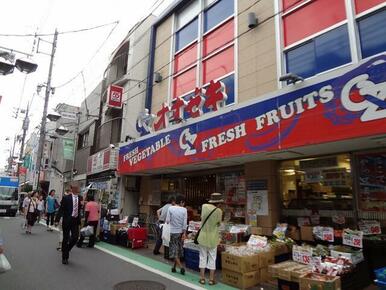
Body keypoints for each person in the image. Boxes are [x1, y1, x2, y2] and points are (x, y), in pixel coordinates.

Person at [197, 193, 223, 286]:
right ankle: (211, 279)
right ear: (219, 202)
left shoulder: (204, 206)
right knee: (212, 258)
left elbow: (202, 218)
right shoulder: (219, 211)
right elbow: (218, 223)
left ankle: (202, 278)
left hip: (203, 236)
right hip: (213, 237)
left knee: (202, 257)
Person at [55, 185, 82, 265]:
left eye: (78, 188)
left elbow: (79, 208)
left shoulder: (80, 198)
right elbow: (61, 209)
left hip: (75, 221)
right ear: (72, 189)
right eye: (75, 188)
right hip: (67, 220)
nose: (77, 189)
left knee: (75, 237)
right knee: (66, 239)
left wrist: (82, 205)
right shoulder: (66, 198)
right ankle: (65, 257)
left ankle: (67, 249)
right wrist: (57, 220)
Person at [165, 194, 187, 275]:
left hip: (172, 232)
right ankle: (174, 267)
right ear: (181, 202)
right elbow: (185, 223)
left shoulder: (170, 208)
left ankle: (181, 267)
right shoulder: (184, 210)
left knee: (174, 250)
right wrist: (184, 233)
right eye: (183, 202)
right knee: (177, 250)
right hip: (180, 232)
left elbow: (167, 221)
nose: (183, 204)